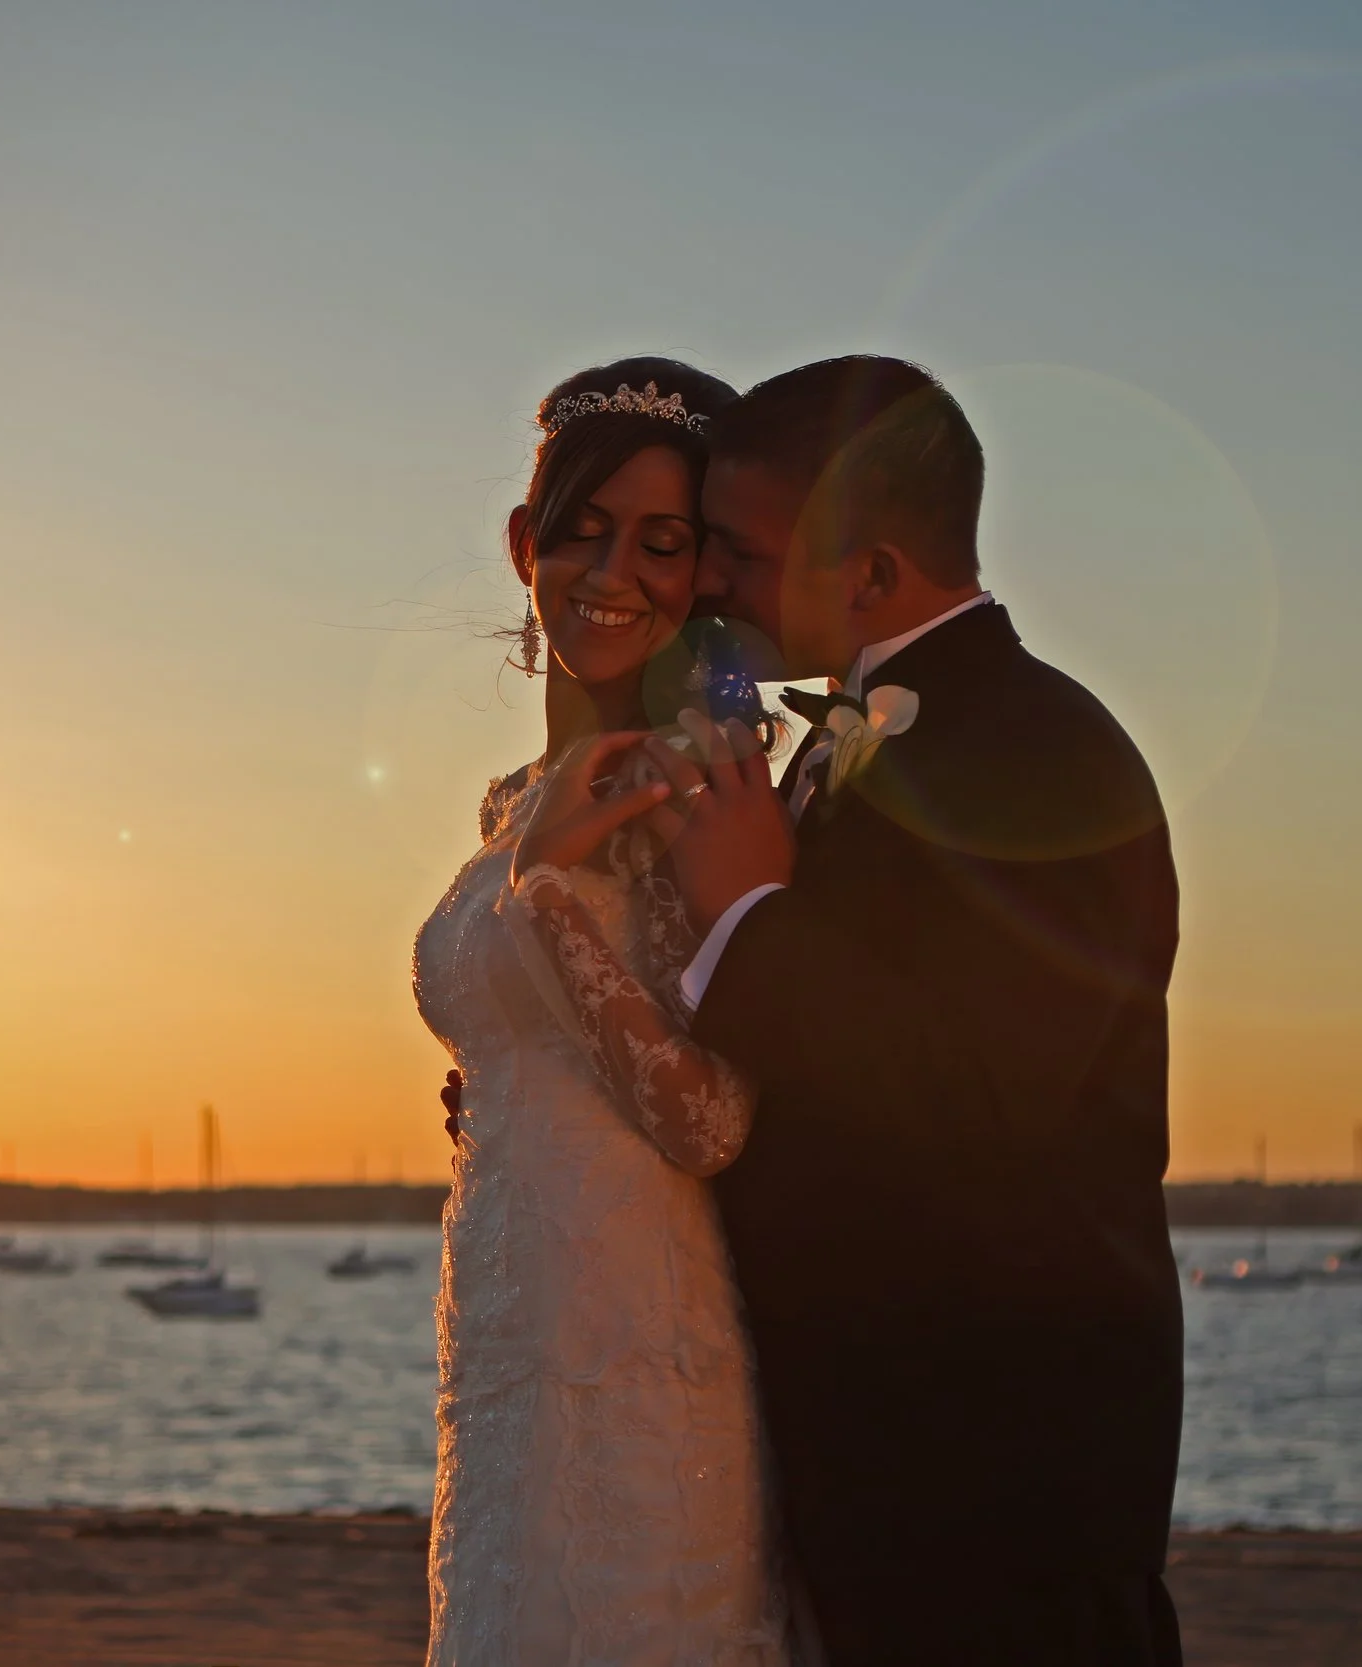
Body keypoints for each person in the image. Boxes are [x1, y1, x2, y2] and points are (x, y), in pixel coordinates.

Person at [530, 356, 1184, 1665]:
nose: (706, 583)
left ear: (872, 575)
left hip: (991, 1469)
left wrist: (748, 918)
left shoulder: (1044, 751)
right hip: (844, 1455)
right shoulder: (841, 736)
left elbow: (987, 1090)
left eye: (736, 551)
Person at [414, 356, 796, 1664]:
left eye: (662, 540)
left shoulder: (702, 783)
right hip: (511, 1353)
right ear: (526, 542)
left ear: (702, 573)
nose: (611, 568)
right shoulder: (513, 794)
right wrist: (496, 1090)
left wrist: (545, 907)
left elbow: (710, 1118)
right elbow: (554, 1038)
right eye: (582, 527)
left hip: (645, 1368)